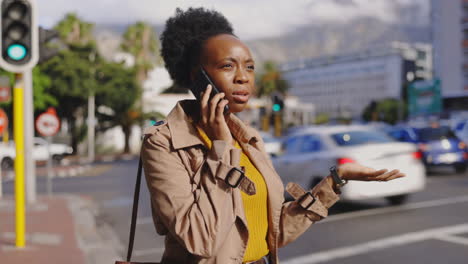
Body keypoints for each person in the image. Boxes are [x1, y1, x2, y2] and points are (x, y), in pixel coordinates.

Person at [141, 7, 405, 264]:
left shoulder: (249, 138)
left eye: (250, 67)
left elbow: (268, 232)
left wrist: (334, 182)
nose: (243, 77)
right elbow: (200, 240)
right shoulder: (163, 143)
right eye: (227, 66)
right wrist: (220, 148)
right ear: (196, 77)